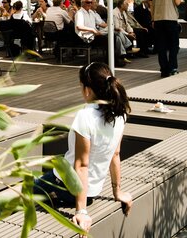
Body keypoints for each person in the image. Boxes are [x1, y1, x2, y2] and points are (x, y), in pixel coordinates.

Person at [33, 62, 133, 233]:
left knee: (28, 187)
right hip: (92, 192)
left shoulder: (85, 116)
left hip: (67, 186)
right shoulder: (120, 113)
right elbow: (115, 154)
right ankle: (54, 197)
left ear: (87, 90)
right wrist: (118, 192)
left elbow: (81, 165)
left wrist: (81, 212)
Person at [149, 0, 182, 77]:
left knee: (161, 45)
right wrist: (181, 0)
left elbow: (151, 4)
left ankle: (163, 69)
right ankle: (172, 67)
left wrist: (152, 19)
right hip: (171, 18)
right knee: (174, 44)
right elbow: (177, 2)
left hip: (158, 19)